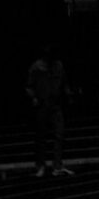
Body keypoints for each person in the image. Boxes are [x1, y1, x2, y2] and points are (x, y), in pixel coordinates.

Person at [26, 46, 73, 177]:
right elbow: (29, 86)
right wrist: (34, 98)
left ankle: (57, 165)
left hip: (56, 105)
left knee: (59, 133)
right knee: (41, 136)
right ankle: (41, 165)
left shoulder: (58, 65)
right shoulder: (36, 67)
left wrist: (68, 95)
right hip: (42, 105)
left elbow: (64, 82)